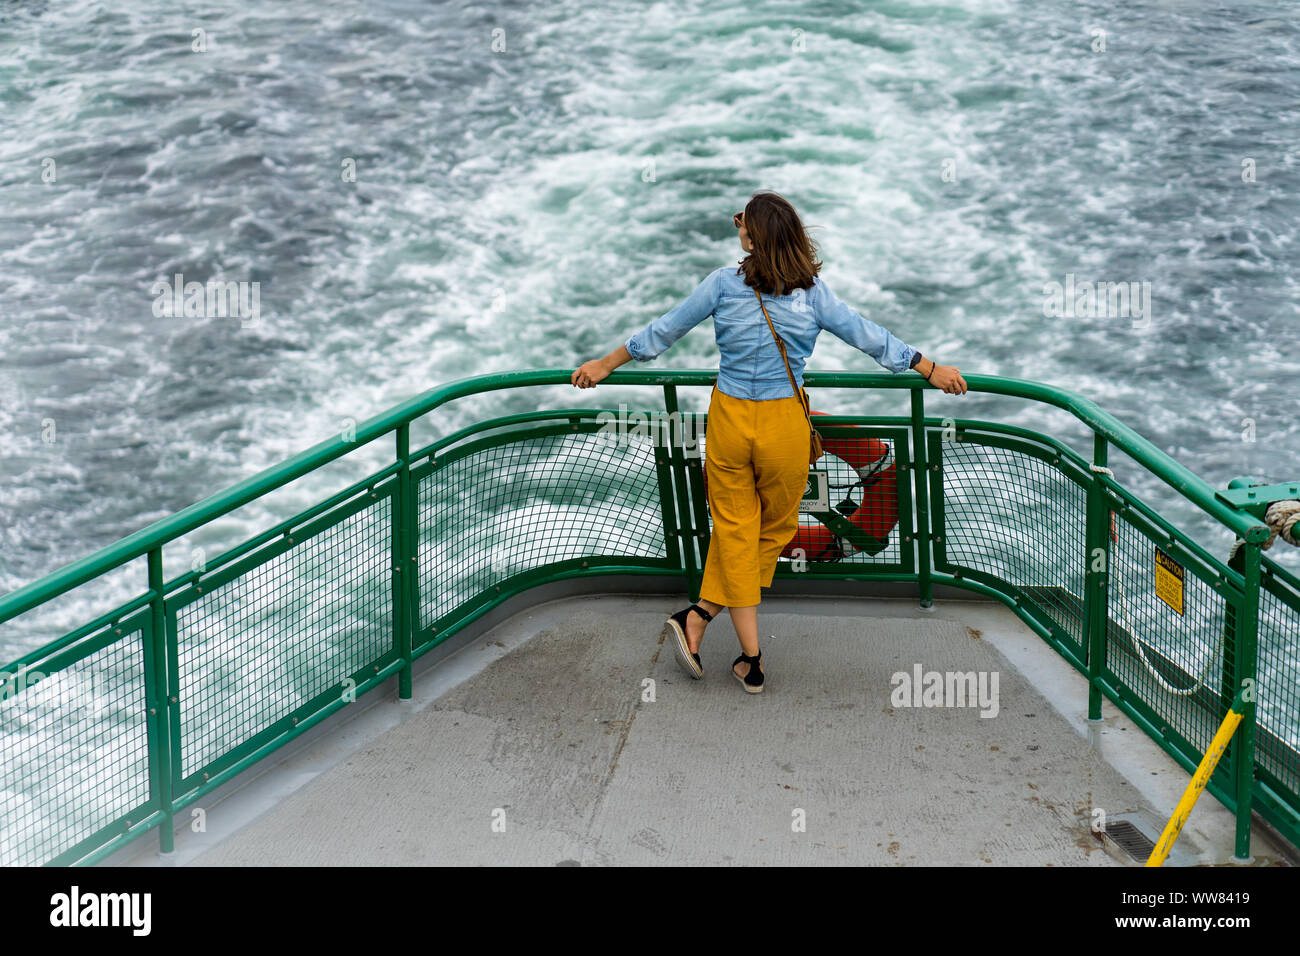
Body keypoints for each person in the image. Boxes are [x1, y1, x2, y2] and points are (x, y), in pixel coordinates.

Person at [571, 191, 967, 694]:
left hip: (730, 421)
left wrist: (604, 365)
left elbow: (661, 332)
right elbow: (871, 337)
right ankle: (733, 645)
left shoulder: (721, 284)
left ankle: (711, 625)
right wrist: (930, 369)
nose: (738, 227)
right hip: (783, 424)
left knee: (735, 529)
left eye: (742, 222)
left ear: (751, 236)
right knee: (775, 529)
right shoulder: (813, 293)